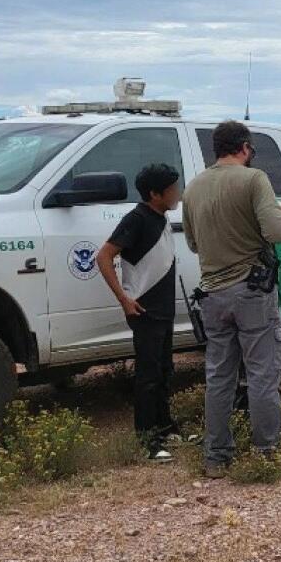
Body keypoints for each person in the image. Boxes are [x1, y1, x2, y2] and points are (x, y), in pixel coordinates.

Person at [182, 121, 281, 478]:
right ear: (245, 147)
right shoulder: (254, 179)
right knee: (262, 373)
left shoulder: (193, 187)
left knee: (219, 376)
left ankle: (216, 457)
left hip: (212, 293)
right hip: (252, 291)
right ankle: (267, 452)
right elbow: (276, 232)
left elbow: (193, 243)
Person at [96, 163, 185, 462]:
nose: (177, 193)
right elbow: (104, 256)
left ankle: (165, 427)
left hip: (164, 309)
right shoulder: (136, 219)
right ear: (154, 194)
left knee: (164, 370)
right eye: (172, 189)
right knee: (148, 376)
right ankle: (148, 439)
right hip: (144, 309)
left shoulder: (161, 217)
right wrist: (124, 299)